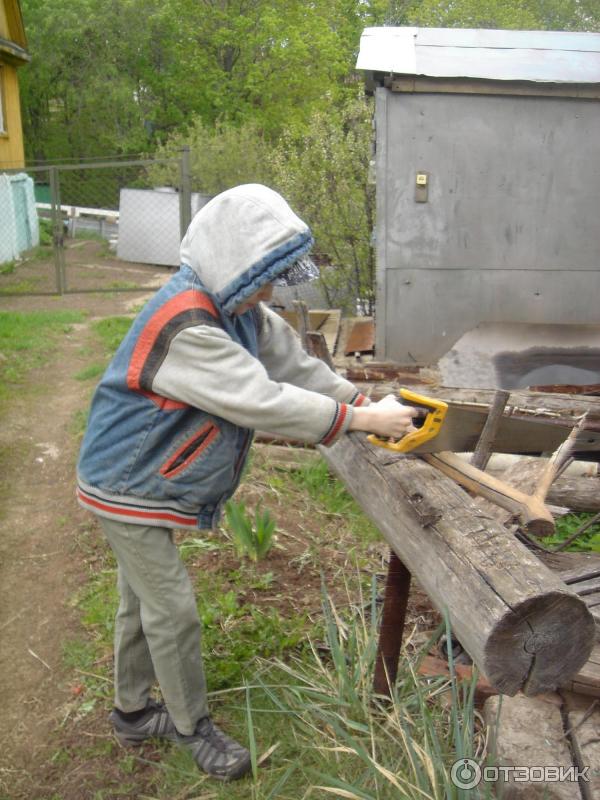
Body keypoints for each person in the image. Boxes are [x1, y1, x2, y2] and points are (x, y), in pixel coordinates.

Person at [76, 184, 417, 781]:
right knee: (173, 611)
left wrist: (360, 400)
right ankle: (192, 727)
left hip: (147, 477)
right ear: (235, 261)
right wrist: (360, 421)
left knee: (142, 604)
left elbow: (297, 368)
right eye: (265, 277)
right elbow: (262, 400)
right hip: (126, 480)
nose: (271, 290)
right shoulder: (187, 325)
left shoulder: (237, 310)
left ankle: (131, 713)